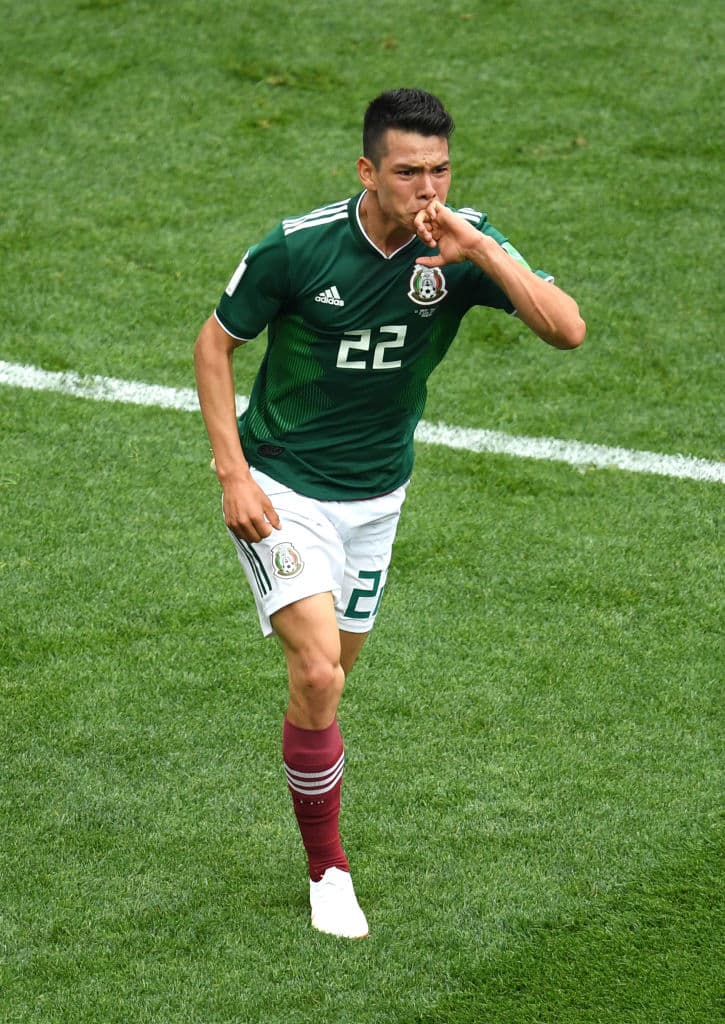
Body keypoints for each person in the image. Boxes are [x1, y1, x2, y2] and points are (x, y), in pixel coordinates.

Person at [193, 87, 585, 939]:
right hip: (284, 487)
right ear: (367, 171)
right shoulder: (298, 250)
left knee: (331, 684)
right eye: (408, 172)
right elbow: (214, 344)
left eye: (440, 171)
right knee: (318, 673)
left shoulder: (460, 240)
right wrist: (233, 474)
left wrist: (478, 247)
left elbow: (566, 331)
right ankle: (327, 869)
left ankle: (311, 772)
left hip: (377, 500)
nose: (427, 190)